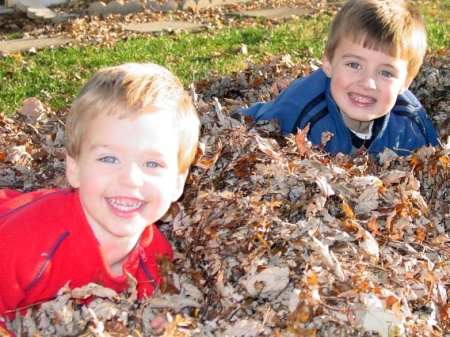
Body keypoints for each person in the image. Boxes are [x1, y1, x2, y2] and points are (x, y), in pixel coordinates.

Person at [0, 62, 200, 335]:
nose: (130, 179)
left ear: (177, 183)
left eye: (152, 164)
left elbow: (156, 310)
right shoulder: (25, 244)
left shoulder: (155, 259)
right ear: (75, 168)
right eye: (109, 158)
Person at [237, 0, 440, 157]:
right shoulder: (297, 113)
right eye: (354, 65)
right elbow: (248, 131)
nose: (367, 83)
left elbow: (436, 163)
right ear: (328, 64)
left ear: (406, 83)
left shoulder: (412, 127)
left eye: (386, 73)